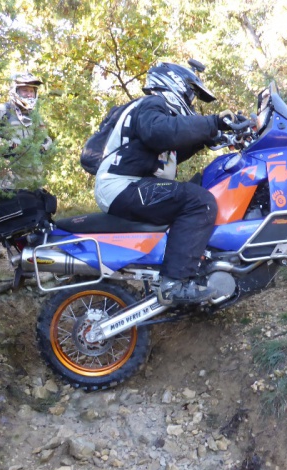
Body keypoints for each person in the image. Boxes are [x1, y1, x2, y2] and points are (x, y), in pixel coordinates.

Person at [94, 60, 237, 305]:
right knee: (199, 201)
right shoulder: (152, 104)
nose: (191, 100)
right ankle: (173, 284)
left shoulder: (159, 116)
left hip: (130, 186)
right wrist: (211, 123)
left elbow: (171, 144)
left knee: (202, 186)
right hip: (122, 186)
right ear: (175, 84)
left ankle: (200, 266)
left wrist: (213, 135)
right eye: (190, 92)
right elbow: (160, 133)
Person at [0, 72, 52, 188]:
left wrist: (41, 147)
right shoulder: (1, 111)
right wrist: (9, 145)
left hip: (33, 178)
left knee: (43, 204)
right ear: (15, 90)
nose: (29, 95)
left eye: (31, 91)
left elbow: (46, 139)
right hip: (8, 179)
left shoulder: (35, 116)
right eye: (25, 90)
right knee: (12, 205)